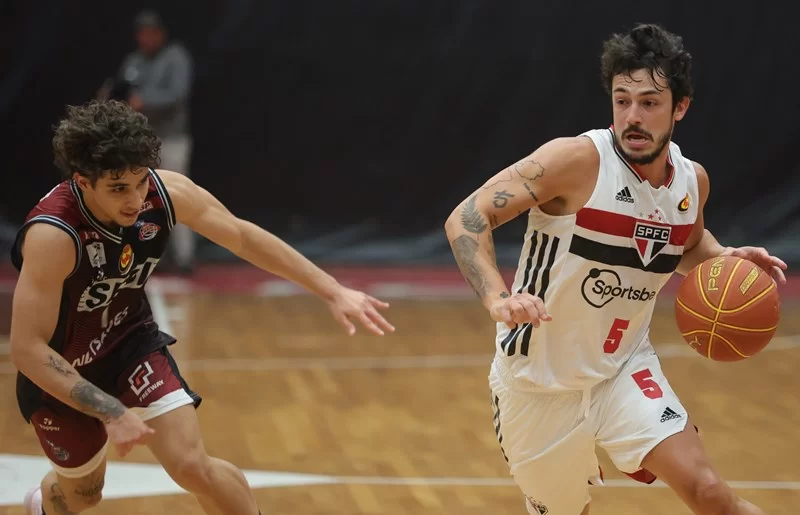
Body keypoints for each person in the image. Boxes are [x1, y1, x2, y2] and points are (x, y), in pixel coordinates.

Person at [444, 23, 787, 515]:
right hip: (537, 384)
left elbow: (687, 245)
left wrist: (723, 259)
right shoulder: (575, 161)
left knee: (710, 493)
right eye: (622, 99)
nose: (632, 115)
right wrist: (497, 297)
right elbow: (468, 217)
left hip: (624, 368)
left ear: (680, 108)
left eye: (649, 102)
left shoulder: (692, 182)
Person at [11, 100, 395, 515]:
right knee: (83, 495)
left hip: (128, 342)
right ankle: (42, 504)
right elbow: (29, 350)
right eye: (118, 188)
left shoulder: (166, 193)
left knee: (193, 466)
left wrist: (332, 289)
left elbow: (242, 237)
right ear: (83, 182)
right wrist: (111, 411)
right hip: (63, 367)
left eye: (140, 182)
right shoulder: (55, 235)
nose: (136, 199)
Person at [99, 9, 196, 273]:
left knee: (179, 197)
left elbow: (178, 94)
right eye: (142, 33)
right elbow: (121, 89)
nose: (146, 38)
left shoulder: (175, 56)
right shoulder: (133, 61)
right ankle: (153, 255)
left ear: (161, 34)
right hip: (140, 142)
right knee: (145, 200)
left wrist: (146, 102)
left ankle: (186, 259)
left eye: (151, 32)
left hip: (172, 138)